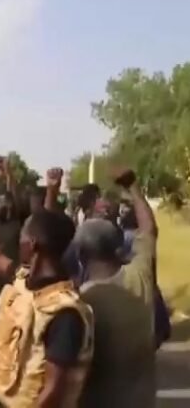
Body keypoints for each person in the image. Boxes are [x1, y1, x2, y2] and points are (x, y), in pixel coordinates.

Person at [0, 203, 94, 407]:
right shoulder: (23, 281)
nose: (19, 241)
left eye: (22, 236)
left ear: (32, 244)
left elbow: (53, 390)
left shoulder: (64, 312)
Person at [77, 168, 158, 408]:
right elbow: (149, 230)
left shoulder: (81, 302)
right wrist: (132, 185)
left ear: (81, 256)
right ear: (119, 248)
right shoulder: (139, 277)